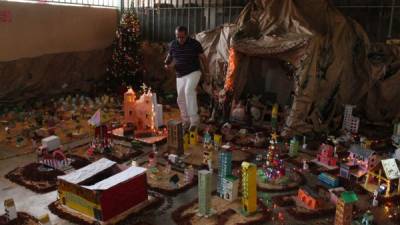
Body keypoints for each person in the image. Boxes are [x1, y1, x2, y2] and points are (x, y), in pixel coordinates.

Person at [164, 26, 209, 130]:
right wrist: (167, 64)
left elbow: (203, 58)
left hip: (194, 72)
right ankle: (186, 120)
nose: (180, 40)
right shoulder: (173, 44)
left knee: (189, 91)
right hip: (180, 74)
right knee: (180, 98)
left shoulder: (195, 44)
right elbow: (169, 57)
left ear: (187, 35)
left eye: (182, 37)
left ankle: (194, 121)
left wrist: (207, 72)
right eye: (178, 37)